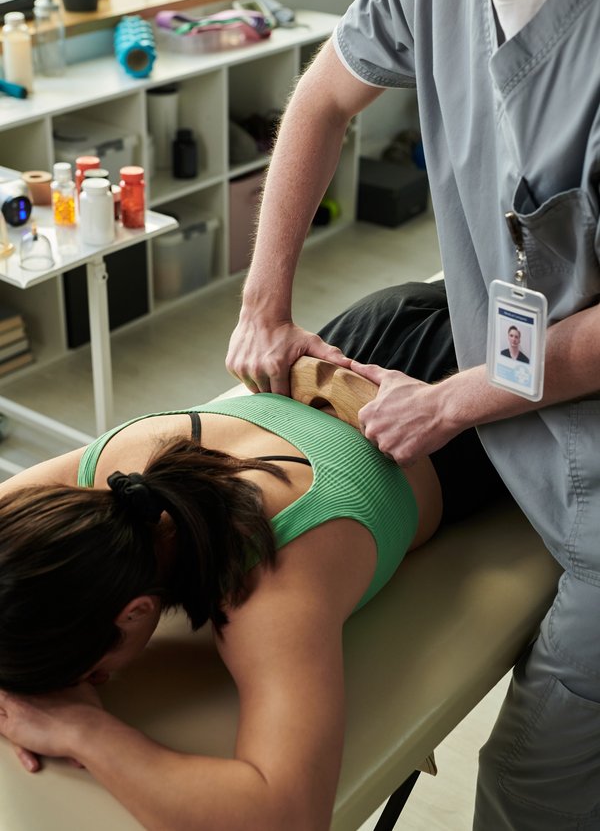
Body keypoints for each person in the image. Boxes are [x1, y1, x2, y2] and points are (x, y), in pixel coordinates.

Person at [225, 0, 600, 827]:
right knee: (361, 343)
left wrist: (452, 402)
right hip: (485, 362)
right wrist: (263, 301)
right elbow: (320, 100)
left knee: (530, 789)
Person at [0, 284, 503, 831]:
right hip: (366, 331)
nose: (92, 680)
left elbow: (287, 815)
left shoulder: (265, 584)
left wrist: (81, 729)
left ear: (135, 612)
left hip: (456, 423)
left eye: (91, 672)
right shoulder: (108, 472)